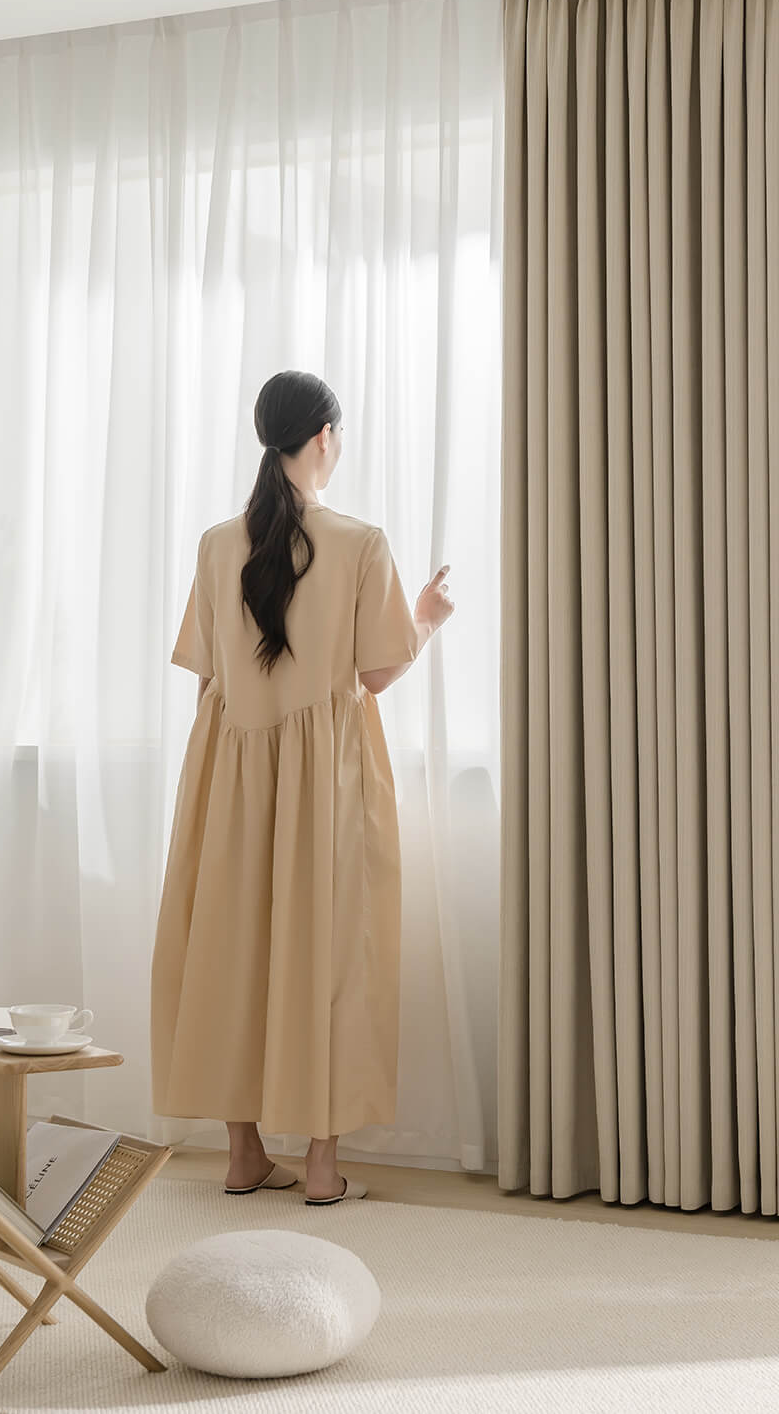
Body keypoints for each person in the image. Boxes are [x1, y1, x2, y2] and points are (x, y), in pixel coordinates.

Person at [149, 370, 453, 1204]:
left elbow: (208, 671)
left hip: (231, 774)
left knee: (229, 949)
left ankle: (242, 1153)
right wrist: (424, 617)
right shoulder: (361, 542)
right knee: (331, 955)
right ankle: (322, 1165)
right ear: (324, 436)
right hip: (326, 780)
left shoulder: (216, 544)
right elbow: (379, 673)